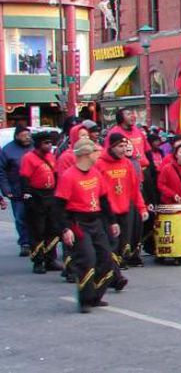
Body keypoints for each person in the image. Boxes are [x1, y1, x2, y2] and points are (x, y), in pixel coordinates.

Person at [54, 139, 120, 313]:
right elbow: (59, 206)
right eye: (95, 152)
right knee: (87, 260)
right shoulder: (69, 176)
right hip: (78, 222)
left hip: (95, 221)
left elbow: (104, 199)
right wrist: (65, 229)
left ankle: (96, 295)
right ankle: (85, 299)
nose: (99, 155)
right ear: (85, 154)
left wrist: (112, 221)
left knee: (106, 257)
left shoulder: (95, 173)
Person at [95, 133, 147, 285]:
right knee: (111, 245)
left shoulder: (127, 164)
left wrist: (142, 208)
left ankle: (109, 275)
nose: (123, 149)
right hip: (107, 213)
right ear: (111, 147)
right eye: (120, 146)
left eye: (125, 146)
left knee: (122, 245)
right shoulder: (100, 164)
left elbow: (134, 189)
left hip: (125, 210)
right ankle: (116, 278)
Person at [19, 131, 60, 274]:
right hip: (37, 196)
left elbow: (56, 175)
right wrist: (28, 196)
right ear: (38, 144)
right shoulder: (28, 158)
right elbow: (24, 178)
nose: (49, 146)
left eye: (50, 143)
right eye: (46, 143)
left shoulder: (52, 157)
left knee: (52, 228)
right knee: (37, 230)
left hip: (51, 195)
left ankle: (50, 259)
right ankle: (38, 261)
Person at [0, 125, 35, 256]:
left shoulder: (34, 146)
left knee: (36, 217)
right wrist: (6, 189)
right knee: (21, 217)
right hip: (17, 189)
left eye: (28, 135)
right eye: (24, 135)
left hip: (34, 189)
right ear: (16, 136)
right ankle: (25, 242)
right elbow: (1, 172)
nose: (27, 137)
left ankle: (36, 241)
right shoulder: (7, 150)